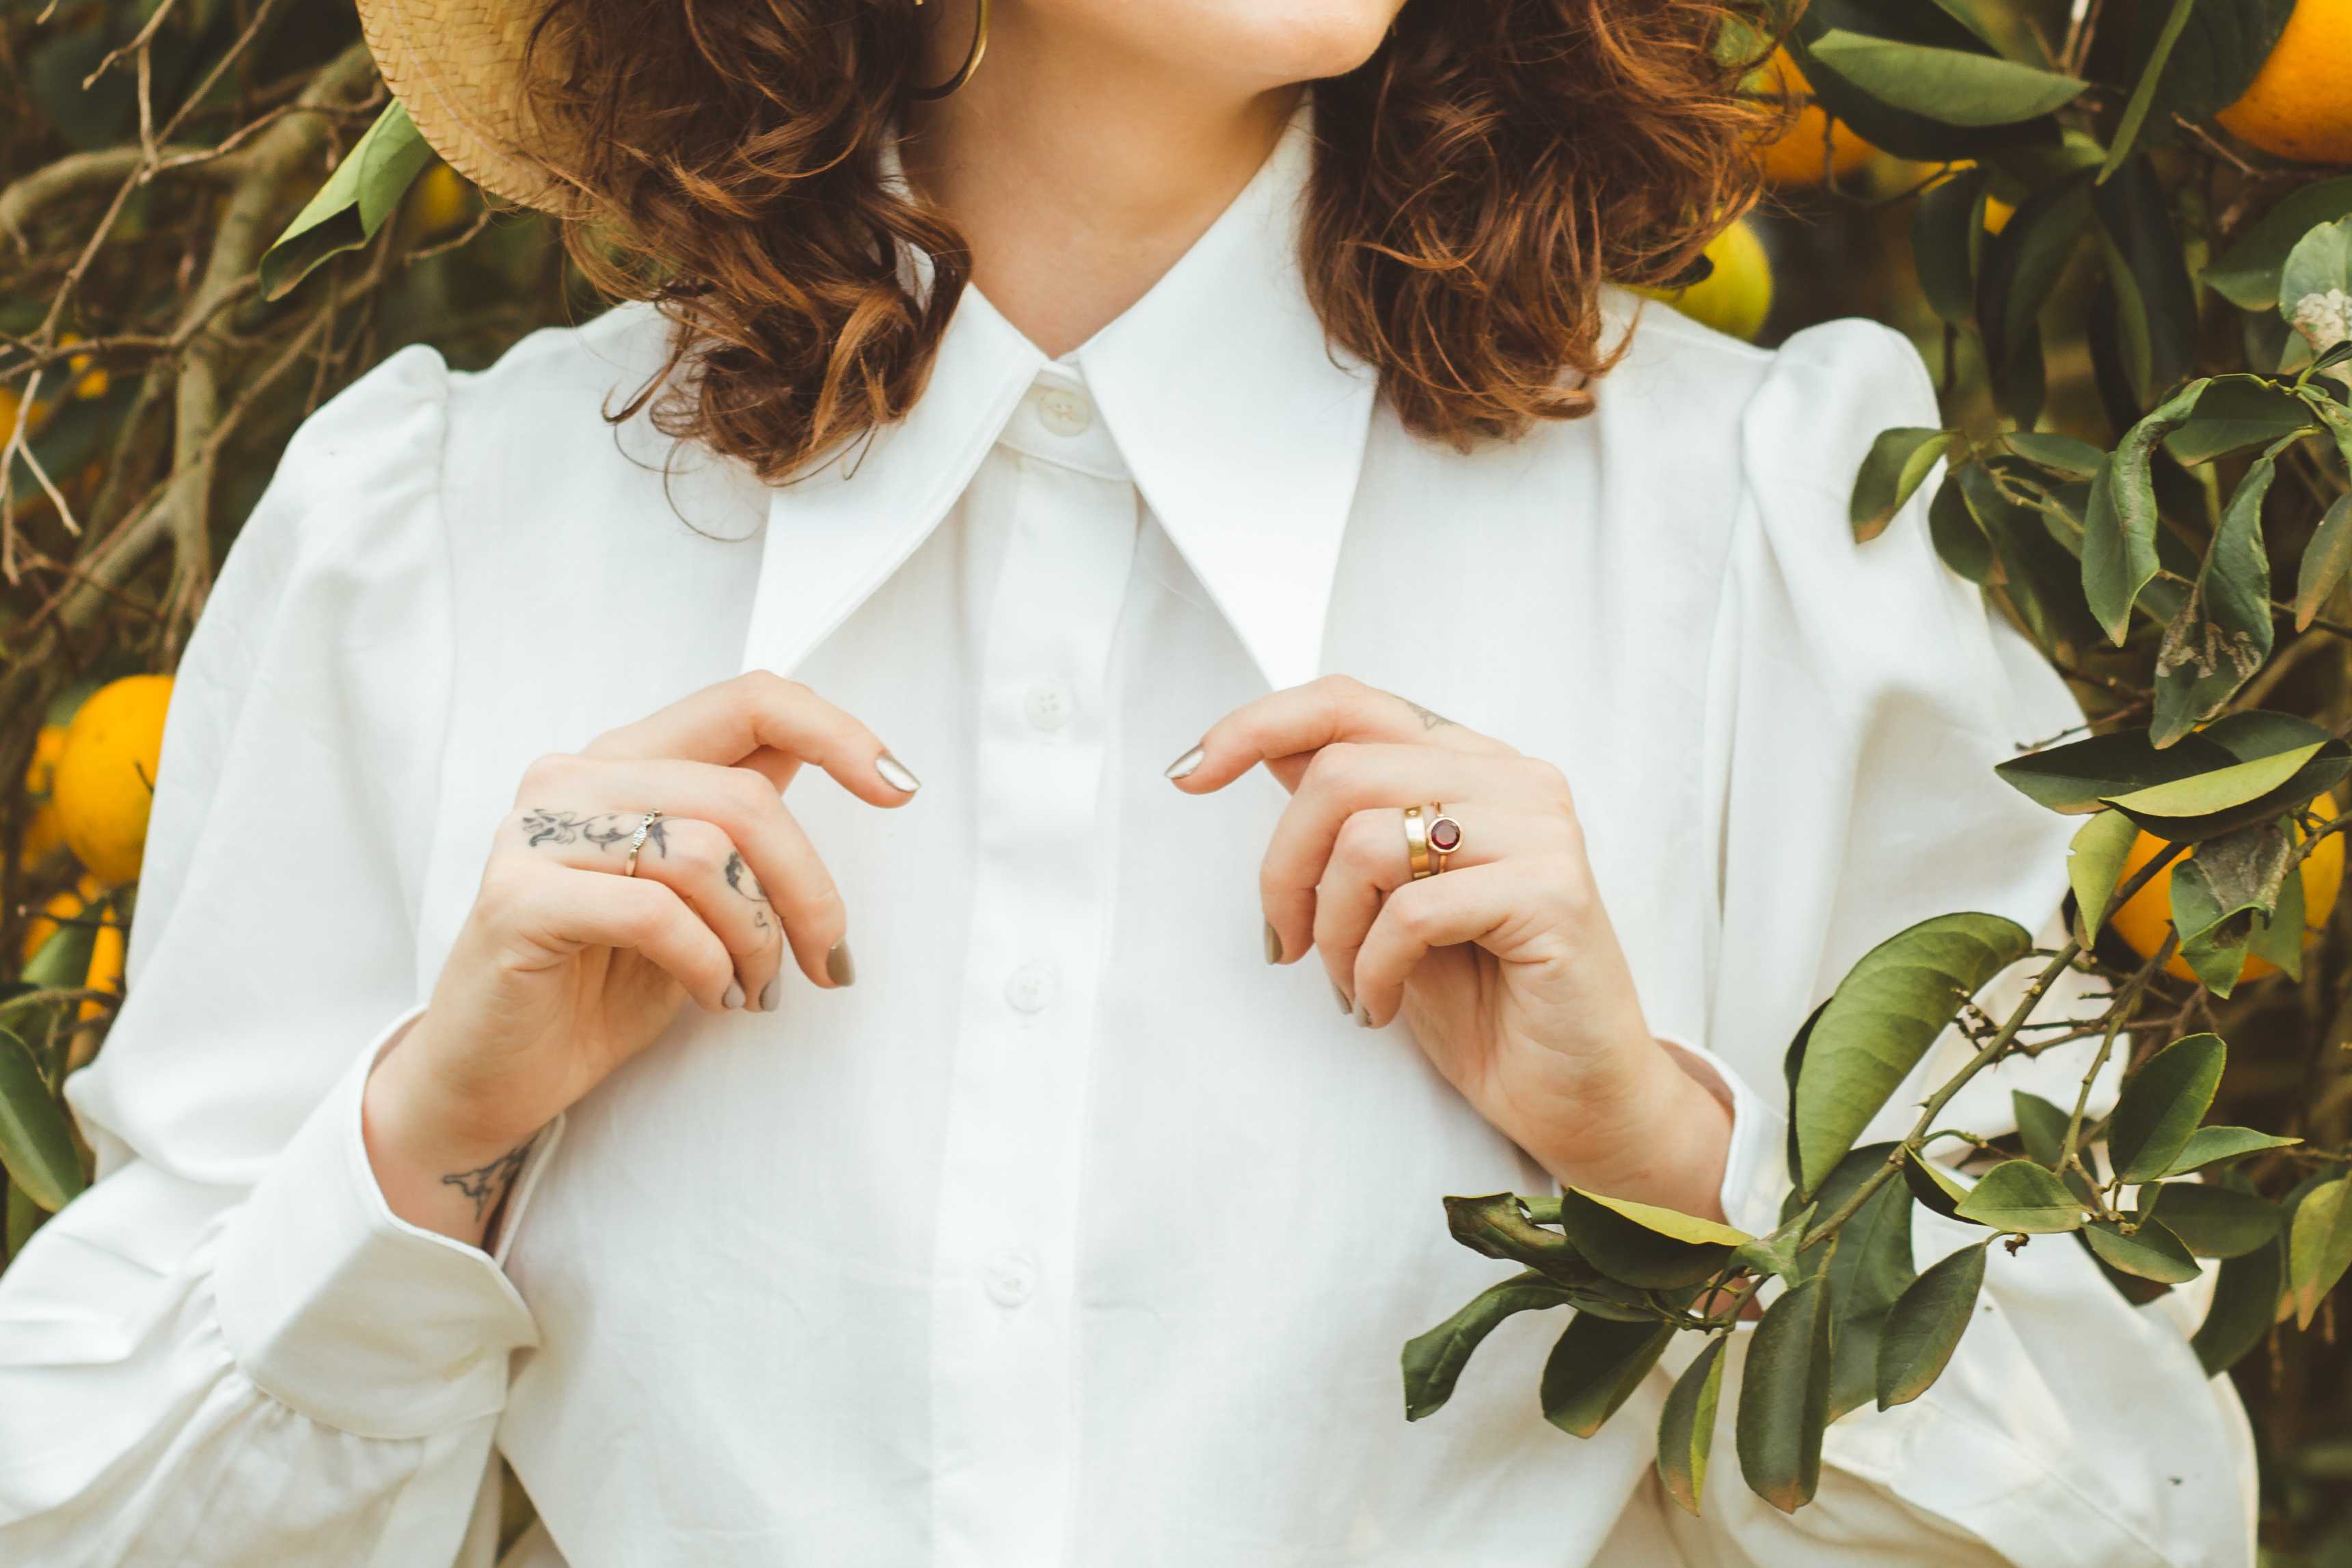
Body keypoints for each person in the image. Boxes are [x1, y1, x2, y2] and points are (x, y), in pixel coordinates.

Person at [0, 1, 2255, 1564]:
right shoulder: (441, 541)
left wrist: (1671, 1164)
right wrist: (419, 1153)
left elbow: (2133, 1516)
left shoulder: (1777, 551)